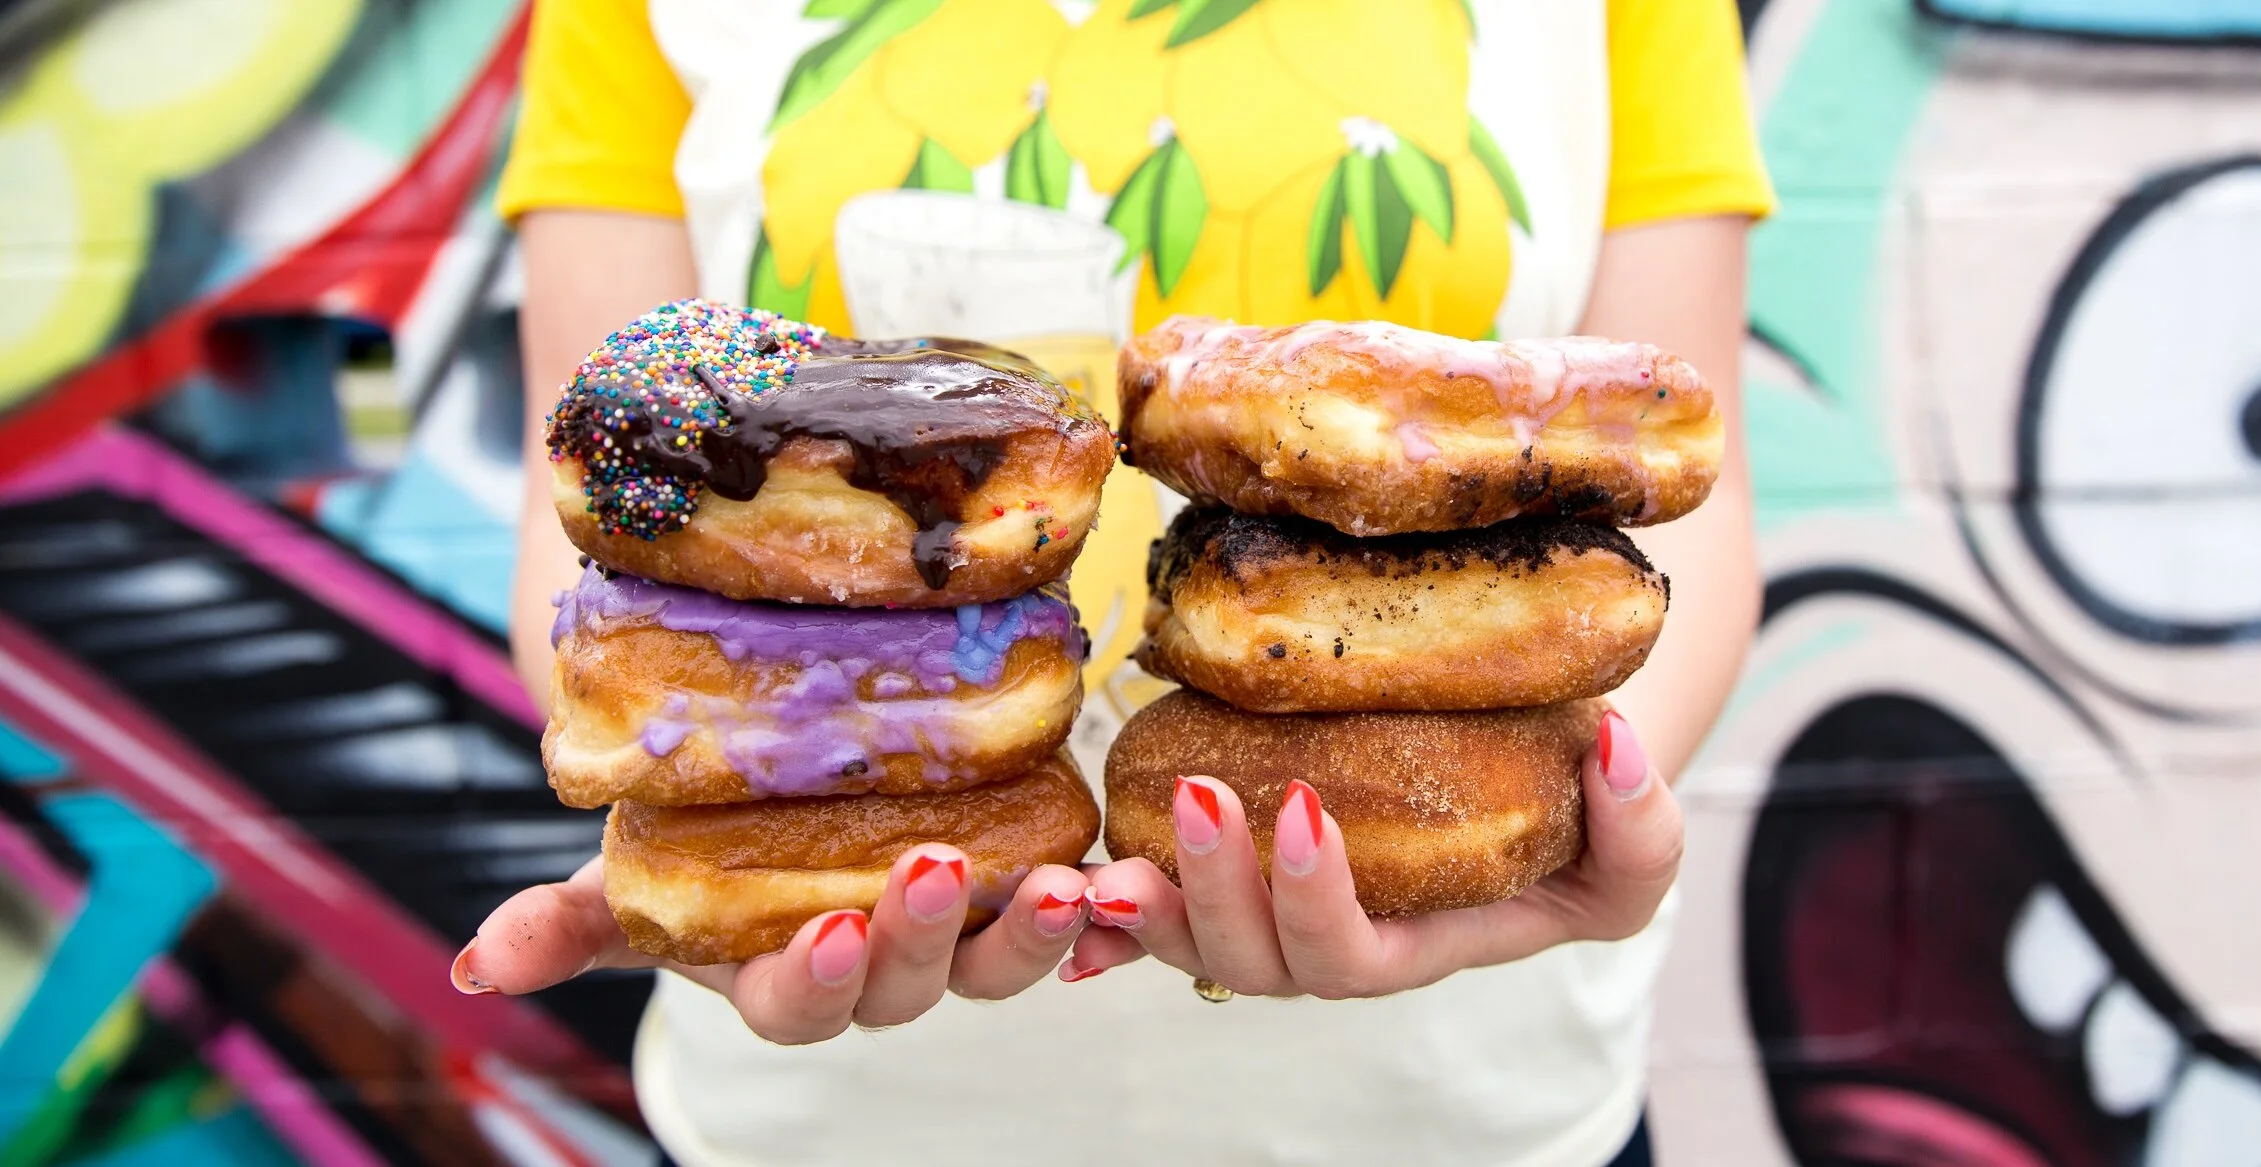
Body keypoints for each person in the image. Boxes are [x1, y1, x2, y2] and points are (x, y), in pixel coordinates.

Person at [458, 2, 1771, 1163]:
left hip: (1470, 1104)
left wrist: (1557, 822)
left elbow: (1676, 518)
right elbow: (586, 526)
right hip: (824, 1115)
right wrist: (718, 784)